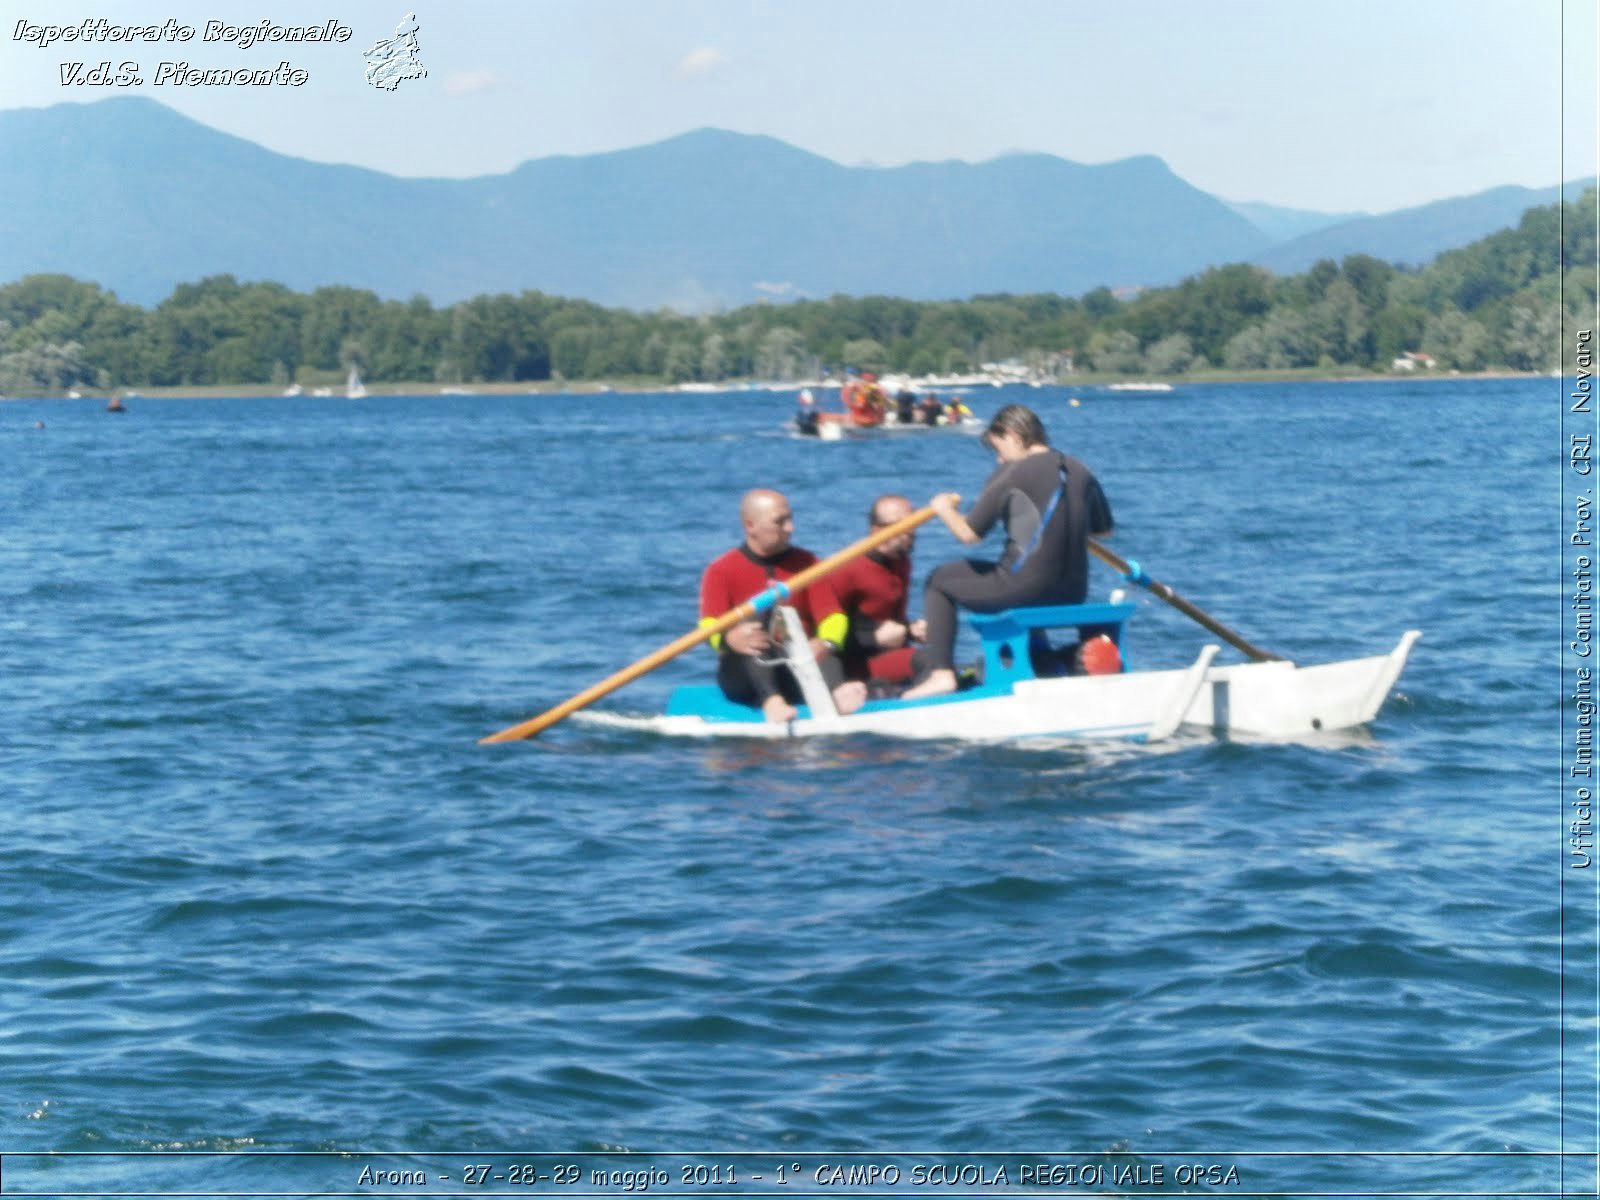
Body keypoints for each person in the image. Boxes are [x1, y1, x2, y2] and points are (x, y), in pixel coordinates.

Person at [901, 404, 1114, 699]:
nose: (999, 459)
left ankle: (941, 675)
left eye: (998, 449)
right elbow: (1103, 530)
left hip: (1024, 589)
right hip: (1073, 592)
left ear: (1014, 436)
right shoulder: (1080, 468)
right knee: (1021, 569)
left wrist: (943, 509)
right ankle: (1039, 660)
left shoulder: (1013, 471)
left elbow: (969, 534)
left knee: (940, 579)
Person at [700, 489, 869, 722]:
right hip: (746, 673)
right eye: (780, 522)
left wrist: (827, 643)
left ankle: (837, 692)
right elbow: (708, 625)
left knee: (821, 647)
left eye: (790, 519)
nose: (790, 528)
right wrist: (728, 640)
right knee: (755, 620)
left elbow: (833, 616)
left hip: (798, 667)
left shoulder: (808, 563)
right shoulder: (720, 570)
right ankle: (772, 701)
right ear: (751, 526)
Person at [822, 494, 926, 686]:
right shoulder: (847, 570)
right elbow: (823, 638)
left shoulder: (901, 561)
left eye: (913, 524)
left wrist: (912, 631)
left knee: (940, 652)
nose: (910, 532)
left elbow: (888, 619)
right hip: (856, 665)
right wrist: (873, 639)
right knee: (930, 661)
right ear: (876, 530)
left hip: (891, 655)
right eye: (902, 526)